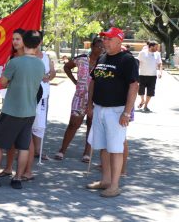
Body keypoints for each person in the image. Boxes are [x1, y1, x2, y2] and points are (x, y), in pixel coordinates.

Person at [0, 30, 45, 190]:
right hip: (29, 111)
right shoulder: (40, 64)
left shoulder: (15, 62)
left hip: (12, 110)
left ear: (24, 43)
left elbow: (3, 82)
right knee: (23, 146)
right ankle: (18, 179)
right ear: (38, 44)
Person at [85, 27, 138, 198]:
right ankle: (106, 180)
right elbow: (93, 80)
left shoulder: (127, 60)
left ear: (119, 40)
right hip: (100, 108)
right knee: (102, 146)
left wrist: (127, 113)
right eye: (103, 39)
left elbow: (134, 86)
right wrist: (90, 103)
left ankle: (115, 186)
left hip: (116, 111)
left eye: (108, 39)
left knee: (115, 148)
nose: (104, 42)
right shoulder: (102, 57)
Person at [55, 38, 104, 162]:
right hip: (80, 96)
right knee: (73, 124)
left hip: (96, 98)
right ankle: (62, 150)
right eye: (98, 46)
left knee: (91, 125)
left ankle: (87, 152)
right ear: (92, 47)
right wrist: (75, 82)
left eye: (102, 47)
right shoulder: (82, 58)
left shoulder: (103, 62)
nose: (100, 49)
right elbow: (67, 67)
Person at [22, 33, 55, 180]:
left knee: (38, 125)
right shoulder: (24, 57)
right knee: (26, 126)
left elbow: (52, 73)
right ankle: (24, 154)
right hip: (28, 94)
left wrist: (49, 75)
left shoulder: (47, 57)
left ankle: (36, 151)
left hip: (43, 96)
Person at [0, 28, 26, 178]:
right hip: (12, 101)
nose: (15, 42)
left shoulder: (32, 58)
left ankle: (22, 174)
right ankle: (9, 168)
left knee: (24, 142)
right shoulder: (12, 58)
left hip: (27, 102)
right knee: (11, 139)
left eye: (18, 39)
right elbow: (4, 82)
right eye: (13, 39)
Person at [137, 40, 162, 112]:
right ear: (151, 46)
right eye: (156, 47)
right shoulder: (142, 53)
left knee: (150, 92)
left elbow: (160, 64)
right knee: (141, 90)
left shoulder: (157, 54)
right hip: (142, 75)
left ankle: (146, 106)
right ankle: (142, 100)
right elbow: (137, 62)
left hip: (153, 76)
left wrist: (160, 72)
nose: (157, 49)